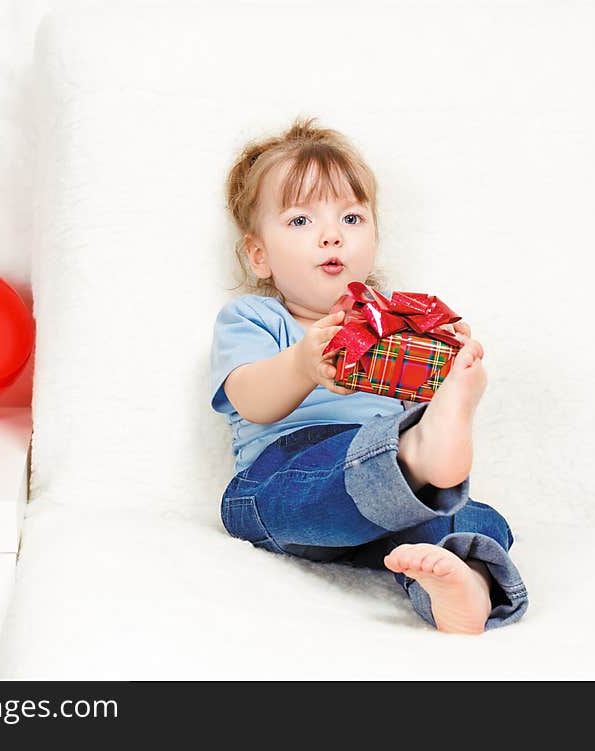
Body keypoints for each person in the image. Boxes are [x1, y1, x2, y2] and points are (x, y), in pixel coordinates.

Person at [209, 117, 528, 634]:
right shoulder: (255, 318)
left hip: (382, 500)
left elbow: (410, 387)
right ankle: (411, 456)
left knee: (469, 517)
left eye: (352, 219)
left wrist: (445, 364)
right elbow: (249, 399)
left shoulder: (391, 324)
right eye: (300, 221)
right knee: (333, 479)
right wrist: (301, 364)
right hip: (280, 478)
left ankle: (466, 584)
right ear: (258, 254)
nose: (332, 235)